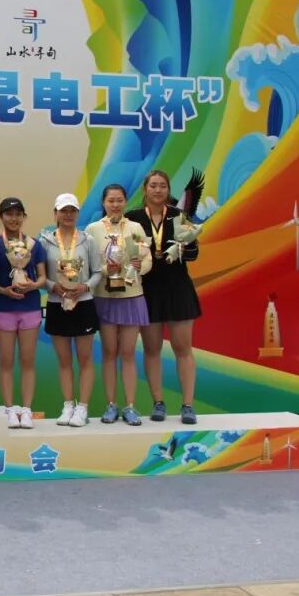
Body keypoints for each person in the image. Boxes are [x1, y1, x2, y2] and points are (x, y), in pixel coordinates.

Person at [125, 170, 202, 424]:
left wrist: (185, 247)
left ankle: (188, 405)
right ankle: (158, 402)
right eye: (153, 186)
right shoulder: (133, 218)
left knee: (183, 348)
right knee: (151, 349)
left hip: (177, 288)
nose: (158, 190)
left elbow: (194, 254)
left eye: (162, 186)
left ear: (168, 190)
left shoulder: (180, 216)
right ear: (145, 189)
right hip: (147, 290)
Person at [86, 184, 152, 426]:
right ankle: (111, 405)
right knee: (109, 352)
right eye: (111, 200)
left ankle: (130, 406)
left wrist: (139, 268)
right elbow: (88, 265)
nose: (115, 204)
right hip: (105, 297)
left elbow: (147, 258)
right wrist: (106, 269)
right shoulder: (93, 230)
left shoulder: (136, 228)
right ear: (104, 203)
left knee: (128, 353)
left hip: (131, 296)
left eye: (119, 200)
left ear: (126, 201)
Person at [39, 193, 102, 427]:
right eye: (63, 210)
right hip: (57, 304)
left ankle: (82, 408)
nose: (68, 215)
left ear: (77, 213)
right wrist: (52, 286)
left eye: (72, 210)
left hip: (83, 303)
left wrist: (85, 287)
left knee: (85, 359)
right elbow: (40, 275)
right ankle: (68, 406)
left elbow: (98, 272)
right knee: (64, 360)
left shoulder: (88, 240)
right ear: (55, 213)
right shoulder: (45, 242)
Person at [0, 197, 46, 428]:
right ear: (1, 217)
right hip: (3, 308)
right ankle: (10, 409)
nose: (13, 219)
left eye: (18, 214)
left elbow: (42, 278)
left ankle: (26, 409)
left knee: (27, 361)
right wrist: (2, 290)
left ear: (24, 217)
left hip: (30, 307)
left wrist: (32, 286)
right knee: (6, 361)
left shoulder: (34, 245)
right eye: (9, 214)